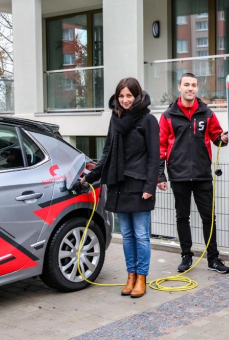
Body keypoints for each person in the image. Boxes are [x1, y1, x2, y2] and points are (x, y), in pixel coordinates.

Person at [82, 77, 160, 298]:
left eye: (129, 95)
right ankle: (130, 276)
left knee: (141, 235)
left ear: (137, 96)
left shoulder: (148, 120)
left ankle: (142, 278)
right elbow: (107, 152)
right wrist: (91, 176)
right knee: (126, 235)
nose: (125, 100)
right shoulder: (115, 120)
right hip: (119, 184)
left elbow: (154, 157)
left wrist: (150, 186)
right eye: (121, 96)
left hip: (140, 185)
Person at [157, 72, 229, 274]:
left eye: (194, 85)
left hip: (202, 175)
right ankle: (186, 256)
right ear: (179, 87)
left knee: (209, 218)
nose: (190, 88)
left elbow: (216, 137)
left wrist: (223, 139)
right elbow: (160, 147)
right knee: (182, 217)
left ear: (198, 89)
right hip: (178, 175)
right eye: (186, 84)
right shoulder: (167, 116)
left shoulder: (207, 113)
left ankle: (213, 259)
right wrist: (160, 175)